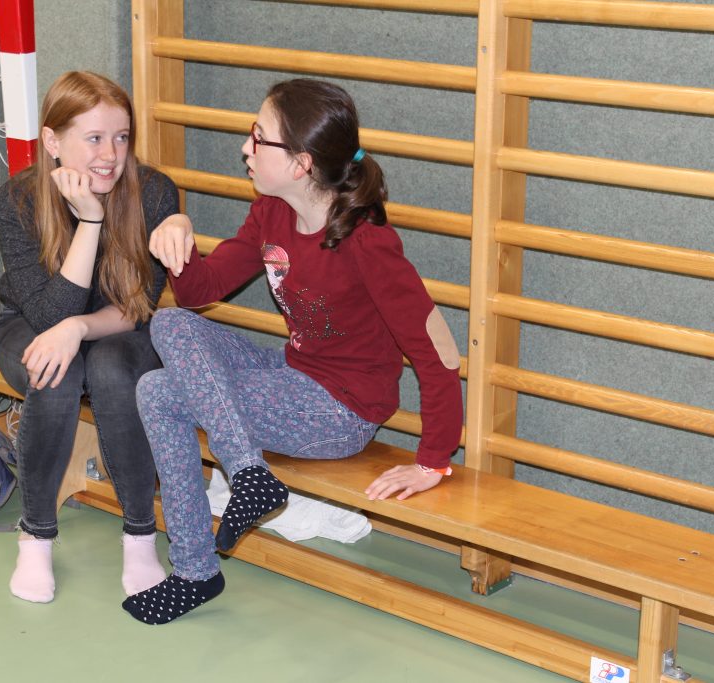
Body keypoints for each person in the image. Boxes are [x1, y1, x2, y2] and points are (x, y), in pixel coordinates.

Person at [123, 79, 463, 624]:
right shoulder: (271, 214)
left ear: (302, 163)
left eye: (259, 138)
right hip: (292, 372)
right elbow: (199, 292)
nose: (246, 148)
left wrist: (433, 461)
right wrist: (178, 234)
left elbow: (436, 353)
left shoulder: (367, 241)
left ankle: (196, 568)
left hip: (342, 410)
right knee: (169, 323)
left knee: (159, 392)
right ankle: (246, 476)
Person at [0, 71, 178, 603]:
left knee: (112, 368)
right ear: (53, 141)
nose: (110, 155)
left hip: (117, 326)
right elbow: (50, 314)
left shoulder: (154, 191)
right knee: (57, 368)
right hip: (31, 325)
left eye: (121, 137)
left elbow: (137, 306)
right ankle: (35, 535)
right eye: (94, 138)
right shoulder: (16, 201)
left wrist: (78, 328)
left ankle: (140, 535)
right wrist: (90, 223)